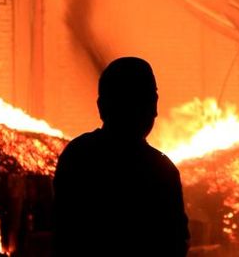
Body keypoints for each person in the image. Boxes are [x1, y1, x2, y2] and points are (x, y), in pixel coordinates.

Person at [52, 57, 190, 256]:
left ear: (101, 106)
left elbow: (64, 234)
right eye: (148, 100)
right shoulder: (161, 170)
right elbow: (175, 243)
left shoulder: (77, 155)